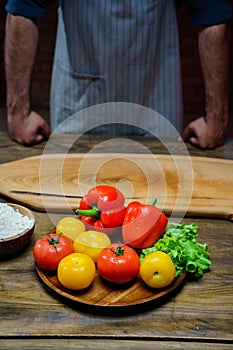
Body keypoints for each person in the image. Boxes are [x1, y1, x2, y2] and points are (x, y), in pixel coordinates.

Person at [4, 0, 232, 148]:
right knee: (70, 206)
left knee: (160, 203)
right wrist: (17, 111)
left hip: (155, 95)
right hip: (80, 95)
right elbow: (23, 9)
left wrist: (217, 116)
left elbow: (212, 13)